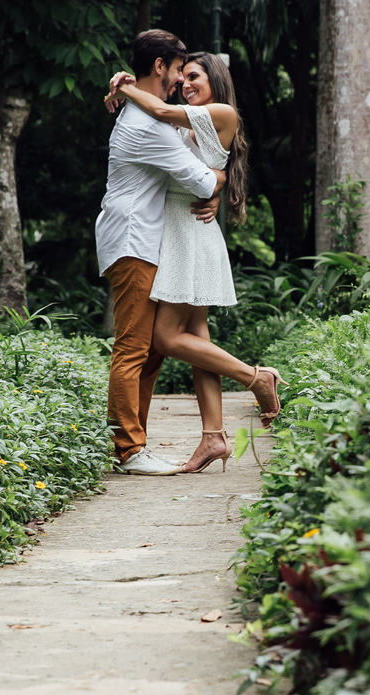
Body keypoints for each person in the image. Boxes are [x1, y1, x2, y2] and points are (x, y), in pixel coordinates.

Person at [104, 52, 286, 475]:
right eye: (182, 77)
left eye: (195, 76)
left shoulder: (219, 112)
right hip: (181, 228)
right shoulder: (191, 119)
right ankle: (213, 437)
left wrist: (123, 85)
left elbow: (162, 110)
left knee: (166, 339)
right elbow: (191, 160)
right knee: (197, 338)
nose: (186, 83)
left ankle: (257, 378)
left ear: (216, 80)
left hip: (187, 230)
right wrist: (218, 182)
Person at [95, 30, 226, 477]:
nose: (178, 80)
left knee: (149, 350)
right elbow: (205, 183)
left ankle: (136, 443)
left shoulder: (146, 115)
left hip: (143, 241)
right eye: (176, 70)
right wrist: (221, 182)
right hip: (134, 242)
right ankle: (129, 450)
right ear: (160, 67)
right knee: (132, 348)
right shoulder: (146, 127)